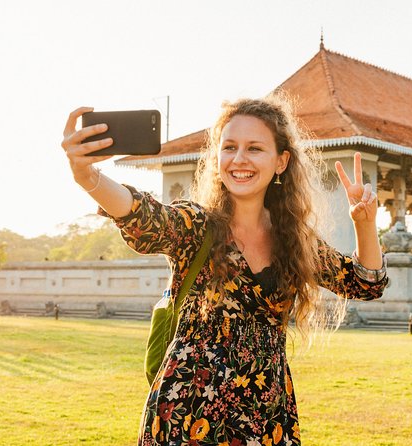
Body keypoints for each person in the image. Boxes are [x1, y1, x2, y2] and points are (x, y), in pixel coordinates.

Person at [61, 96, 388, 445]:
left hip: (266, 417)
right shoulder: (197, 226)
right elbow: (143, 215)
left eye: (254, 148)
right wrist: (88, 176)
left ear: (282, 162)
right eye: (229, 147)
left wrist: (365, 224)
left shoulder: (294, 240)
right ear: (217, 159)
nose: (239, 159)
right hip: (187, 415)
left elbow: (364, 284)